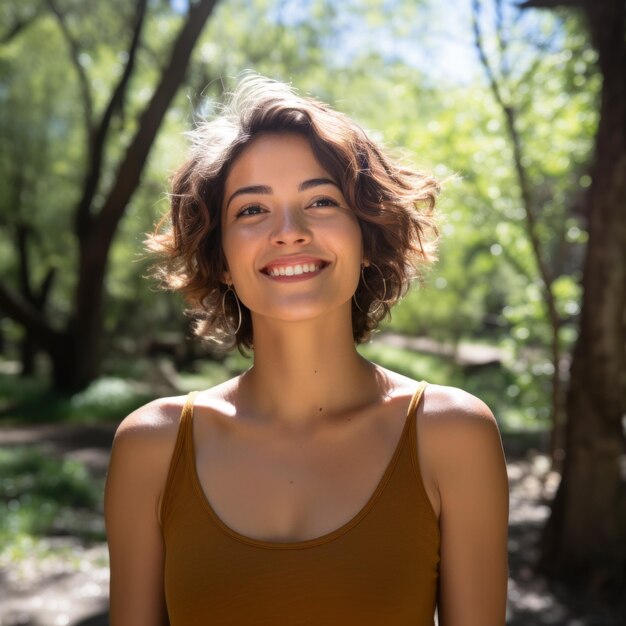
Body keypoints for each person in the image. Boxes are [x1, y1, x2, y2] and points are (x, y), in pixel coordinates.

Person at [104, 74, 509, 626]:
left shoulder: (453, 435)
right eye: (251, 210)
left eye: (320, 200)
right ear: (221, 258)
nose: (289, 231)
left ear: (366, 236)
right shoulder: (150, 448)